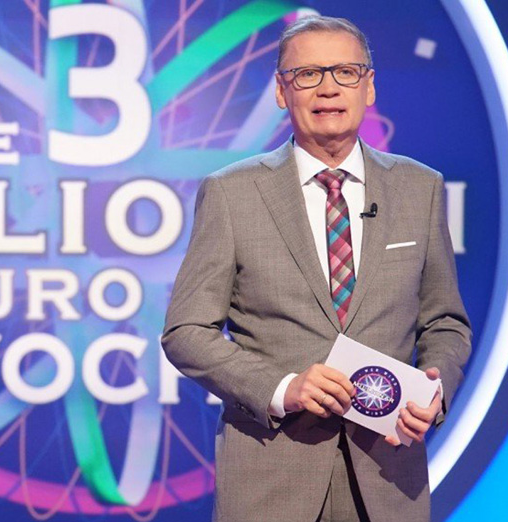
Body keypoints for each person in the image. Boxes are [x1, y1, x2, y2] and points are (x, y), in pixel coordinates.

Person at [161, 15, 472, 522]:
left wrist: (434, 391)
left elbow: (445, 322)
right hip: (270, 481)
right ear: (281, 91)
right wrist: (282, 388)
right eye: (307, 74)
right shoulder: (232, 193)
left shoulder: (421, 188)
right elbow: (186, 331)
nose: (328, 88)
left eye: (346, 72)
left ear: (369, 87)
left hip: (388, 479)